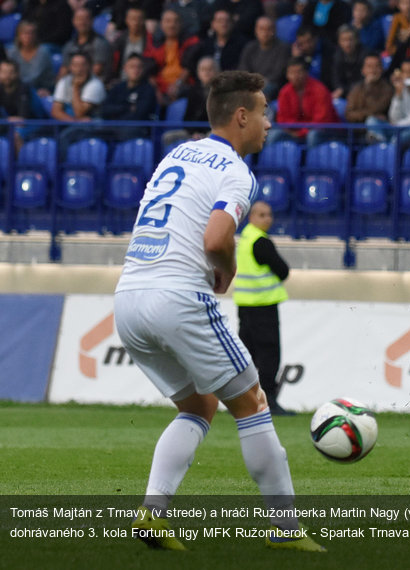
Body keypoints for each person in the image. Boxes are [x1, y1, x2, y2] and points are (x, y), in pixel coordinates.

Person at [114, 69, 324, 552]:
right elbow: (214, 238)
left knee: (198, 405)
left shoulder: (175, 154)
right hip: (179, 297)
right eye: (265, 112)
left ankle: (153, 515)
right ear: (242, 115)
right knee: (252, 403)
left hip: (129, 296)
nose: (270, 124)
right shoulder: (235, 170)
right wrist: (225, 269)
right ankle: (286, 532)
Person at [234, 201, 293, 417]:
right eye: (261, 215)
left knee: (246, 356)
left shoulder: (245, 238)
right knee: (269, 356)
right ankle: (269, 402)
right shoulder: (260, 241)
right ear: (251, 217)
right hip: (263, 306)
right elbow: (283, 270)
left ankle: (240, 402)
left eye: (269, 214)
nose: (267, 219)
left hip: (245, 306)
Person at [237, 15, 291, 101]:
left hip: (271, 87)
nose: (265, 33)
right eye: (261, 29)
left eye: (269, 29)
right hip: (251, 84)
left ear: (275, 30)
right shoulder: (250, 47)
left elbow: (278, 74)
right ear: (256, 30)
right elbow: (243, 69)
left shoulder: (283, 48)